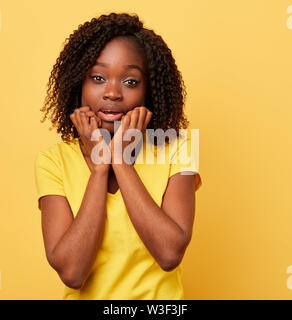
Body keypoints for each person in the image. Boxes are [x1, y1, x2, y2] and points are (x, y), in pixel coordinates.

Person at [34, 12, 202, 300]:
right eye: (98, 78)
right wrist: (100, 168)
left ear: (149, 92)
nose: (112, 93)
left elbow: (170, 253)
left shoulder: (178, 148)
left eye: (130, 82)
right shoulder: (52, 162)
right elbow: (72, 273)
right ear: (78, 86)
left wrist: (120, 162)